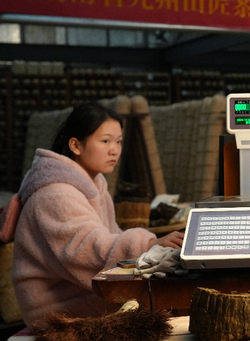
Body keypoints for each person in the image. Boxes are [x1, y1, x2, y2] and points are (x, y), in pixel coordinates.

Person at [10, 102, 184, 326]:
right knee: (169, 302)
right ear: (75, 145)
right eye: (105, 141)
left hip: (80, 292)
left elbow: (111, 237)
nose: (114, 150)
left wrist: (152, 251)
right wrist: (150, 243)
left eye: (119, 141)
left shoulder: (93, 183)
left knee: (171, 291)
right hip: (55, 306)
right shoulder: (55, 194)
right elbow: (88, 248)